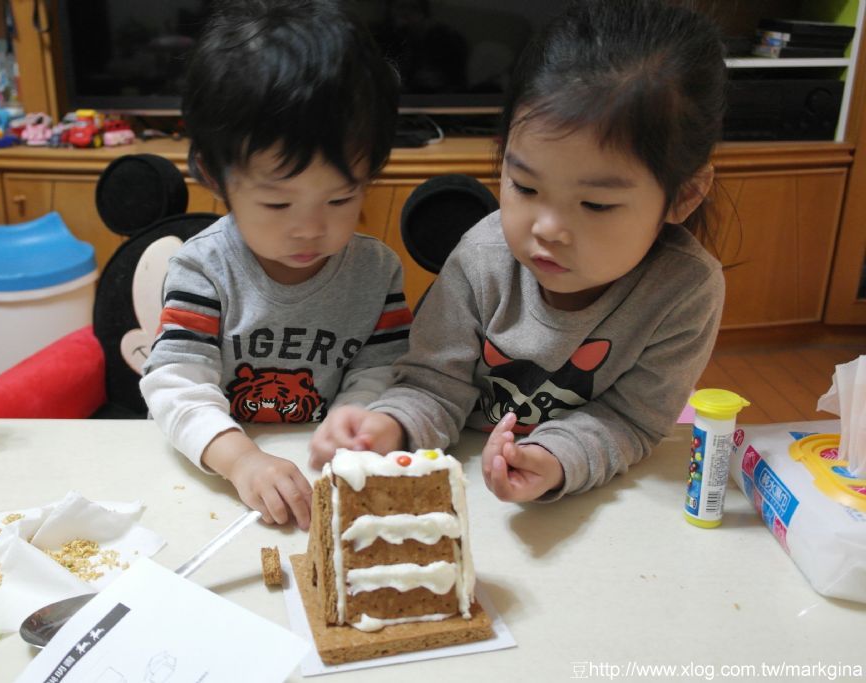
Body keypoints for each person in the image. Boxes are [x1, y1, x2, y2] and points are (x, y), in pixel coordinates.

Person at [310, 0, 728, 504]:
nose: (547, 229)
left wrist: (555, 458)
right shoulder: (482, 257)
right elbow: (432, 386)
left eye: (595, 204)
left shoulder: (683, 290)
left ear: (684, 195)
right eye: (525, 187)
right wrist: (390, 426)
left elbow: (631, 418)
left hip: (580, 500)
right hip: (459, 472)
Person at [141, 0, 408, 529]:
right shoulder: (203, 268)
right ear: (215, 177)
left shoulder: (376, 272)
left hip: (321, 475)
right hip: (223, 477)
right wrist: (241, 460)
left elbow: (382, 370)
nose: (309, 228)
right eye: (277, 204)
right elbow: (176, 385)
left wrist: (355, 423)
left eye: (339, 199)